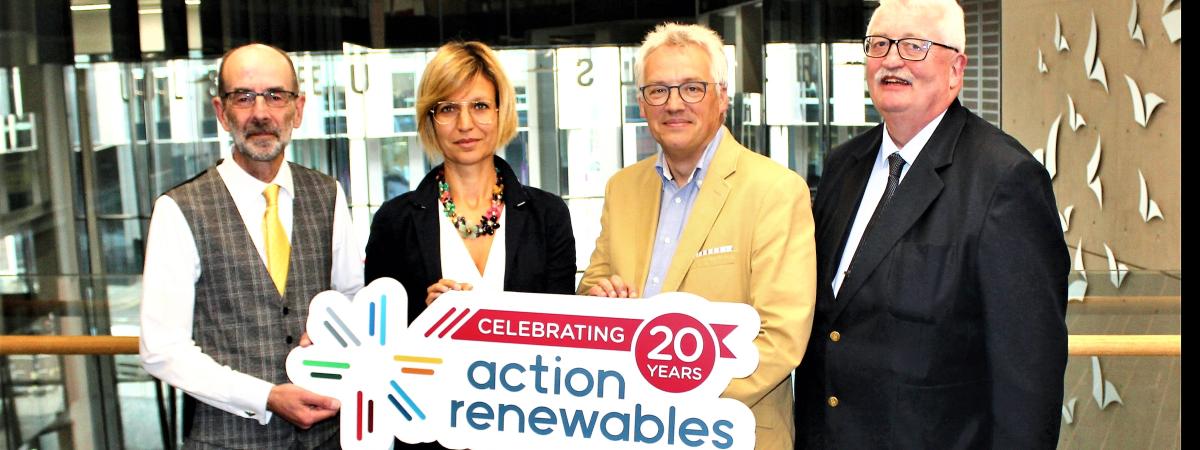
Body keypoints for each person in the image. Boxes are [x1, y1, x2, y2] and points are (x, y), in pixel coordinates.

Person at [793, 0, 1069, 448]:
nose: (892, 59)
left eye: (915, 46)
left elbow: (1029, 376)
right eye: (878, 44)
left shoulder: (1005, 180)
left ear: (956, 69)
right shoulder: (844, 164)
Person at [578, 23, 816, 450]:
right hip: (628, 433)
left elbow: (780, 339)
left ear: (722, 97)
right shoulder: (621, 188)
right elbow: (590, 292)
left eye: (692, 88)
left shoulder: (776, 190)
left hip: (727, 433)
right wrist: (599, 299)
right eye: (658, 90)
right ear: (641, 102)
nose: (674, 104)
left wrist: (665, 400)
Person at [139, 43, 362, 449]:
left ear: (298, 109)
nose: (261, 112)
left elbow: (351, 299)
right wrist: (265, 397)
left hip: (329, 437)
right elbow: (162, 349)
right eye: (243, 97)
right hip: (228, 440)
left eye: (276, 96)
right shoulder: (178, 210)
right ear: (222, 112)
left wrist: (335, 335)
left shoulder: (327, 194)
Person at [365, 41, 576, 337]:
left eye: (479, 106)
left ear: (501, 111)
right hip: (425, 381)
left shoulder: (549, 216)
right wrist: (426, 319)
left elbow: (562, 331)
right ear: (430, 118)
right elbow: (377, 338)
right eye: (448, 108)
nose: (465, 124)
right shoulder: (394, 222)